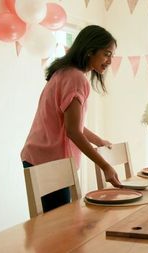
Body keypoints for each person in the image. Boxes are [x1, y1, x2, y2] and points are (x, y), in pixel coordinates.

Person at [21, 25, 122, 213]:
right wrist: (105, 166)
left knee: (52, 227)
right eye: (106, 54)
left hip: (38, 156)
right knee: (59, 228)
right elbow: (72, 131)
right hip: (50, 161)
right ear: (90, 50)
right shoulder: (76, 79)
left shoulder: (63, 72)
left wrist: (97, 140)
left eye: (112, 56)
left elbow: (69, 123)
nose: (109, 61)